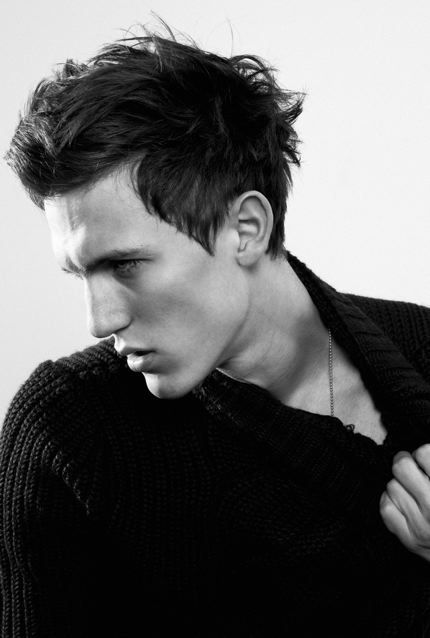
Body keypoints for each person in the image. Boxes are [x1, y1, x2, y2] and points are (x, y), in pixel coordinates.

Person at [2, 23, 430, 638]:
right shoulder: (71, 437)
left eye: (126, 265)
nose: (99, 321)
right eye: (80, 274)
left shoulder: (422, 349)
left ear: (247, 228)